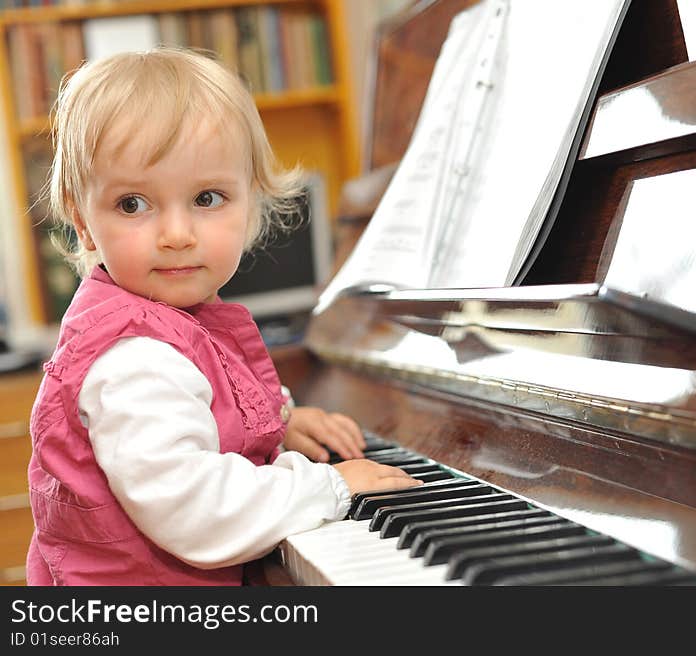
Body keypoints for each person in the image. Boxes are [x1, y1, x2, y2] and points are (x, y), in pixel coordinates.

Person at [27, 47, 421, 586]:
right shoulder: (134, 358)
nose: (176, 234)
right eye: (133, 205)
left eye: (207, 198)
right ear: (84, 223)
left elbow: (208, 410)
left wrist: (281, 427)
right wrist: (330, 486)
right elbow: (195, 509)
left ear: (250, 205)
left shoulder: (180, 320)